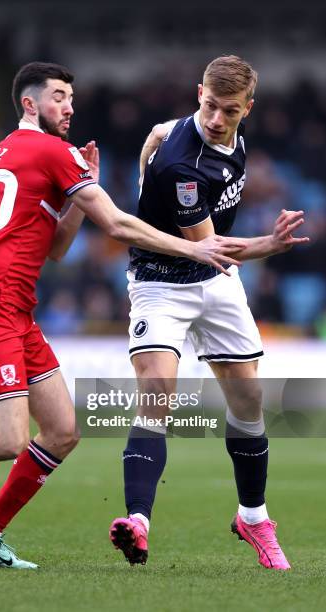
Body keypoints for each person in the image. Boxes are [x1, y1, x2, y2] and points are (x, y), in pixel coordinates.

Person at [0, 61, 245, 570]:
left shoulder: (10, 151)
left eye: (72, 97)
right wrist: (196, 249)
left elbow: (56, 247)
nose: (70, 105)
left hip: (13, 308)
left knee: (61, 431)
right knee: (8, 440)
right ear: (30, 104)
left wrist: (82, 190)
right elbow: (120, 225)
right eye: (59, 96)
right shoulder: (49, 150)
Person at [109, 55, 309, 571]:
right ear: (198, 92)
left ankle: (253, 517)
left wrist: (139, 178)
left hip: (216, 286)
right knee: (157, 392)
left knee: (248, 402)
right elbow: (211, 248)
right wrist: (271, 243)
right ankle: (138, 521)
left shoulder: (219, 136)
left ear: (248, 108)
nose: (216, 119)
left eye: (229, 111)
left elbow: (154, 133)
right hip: (161, 280)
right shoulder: (185, 166)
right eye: (209, 106)